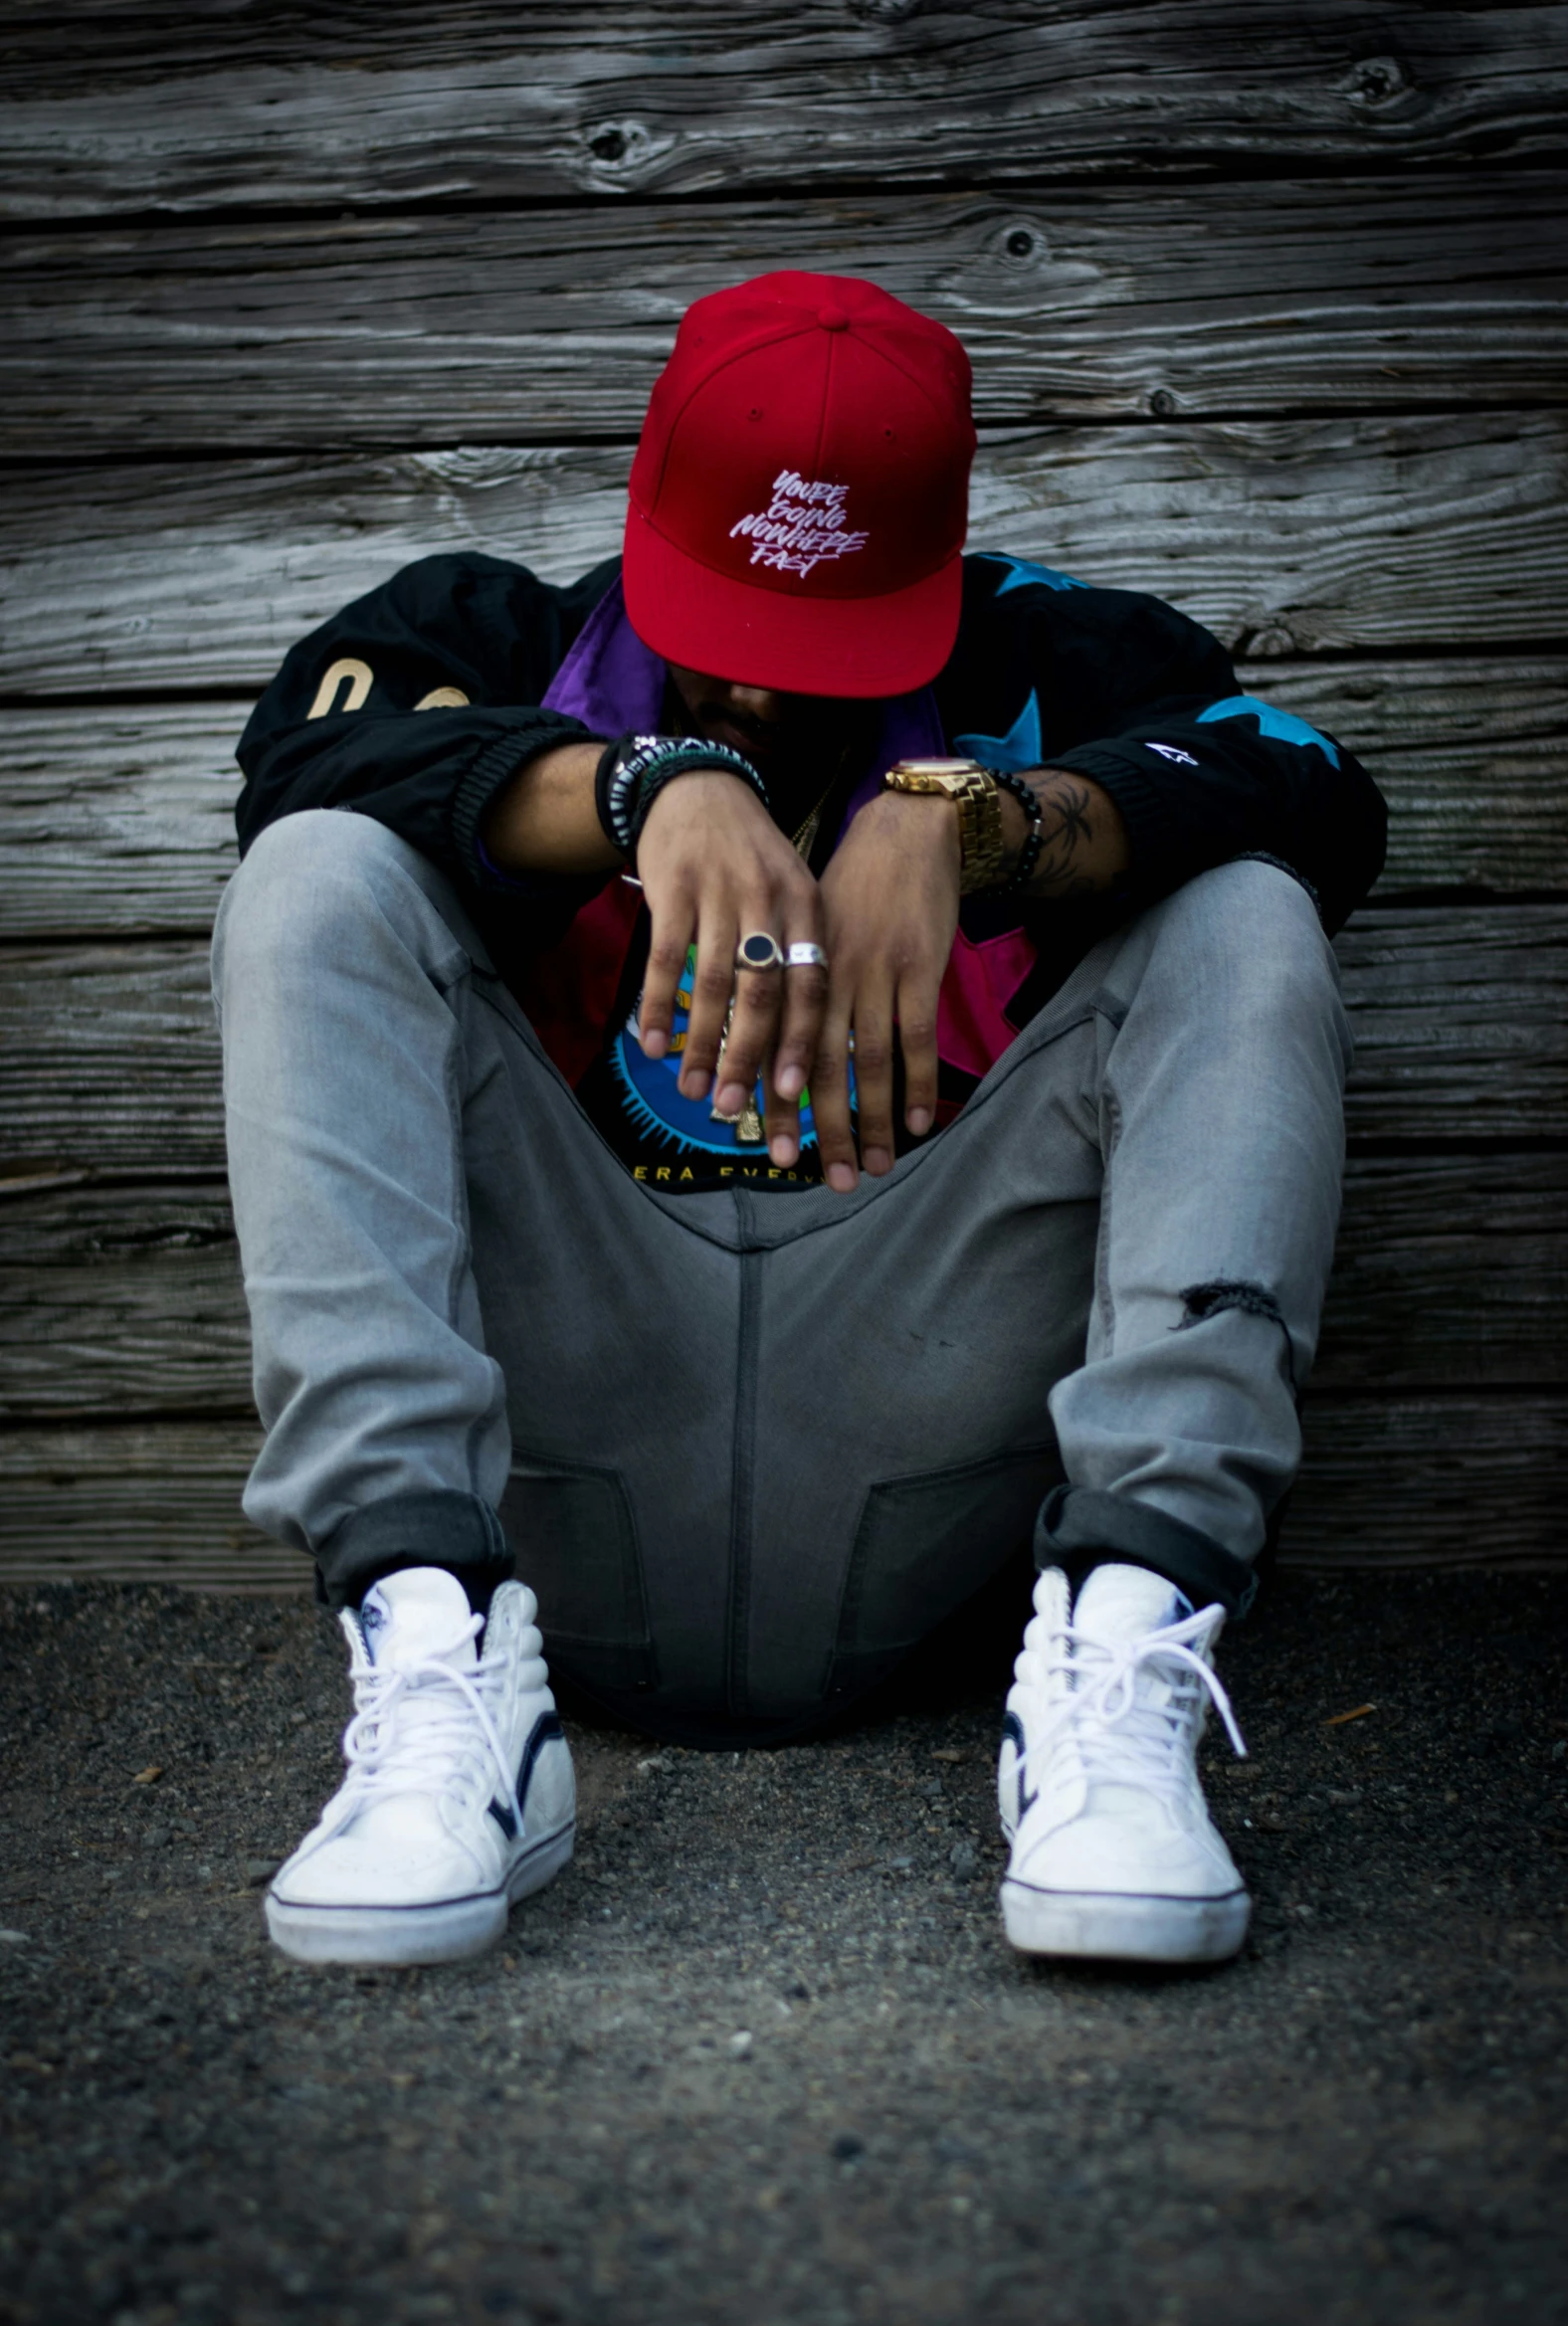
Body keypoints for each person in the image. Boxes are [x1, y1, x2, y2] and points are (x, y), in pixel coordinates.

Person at [215, 272, 1385, 1971]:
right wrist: (636, 789)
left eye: (819, 658)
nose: (757, 699)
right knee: (315, 877)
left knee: (1245, 910)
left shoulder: (1048, 659)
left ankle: (1122, 1678)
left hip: (928, 1434)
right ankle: (439, 1656)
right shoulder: (481, 634)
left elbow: (1320, 794)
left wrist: (981, 823)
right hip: (567, 1445)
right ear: (647, 518)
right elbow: (293, 766)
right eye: (724, 646)